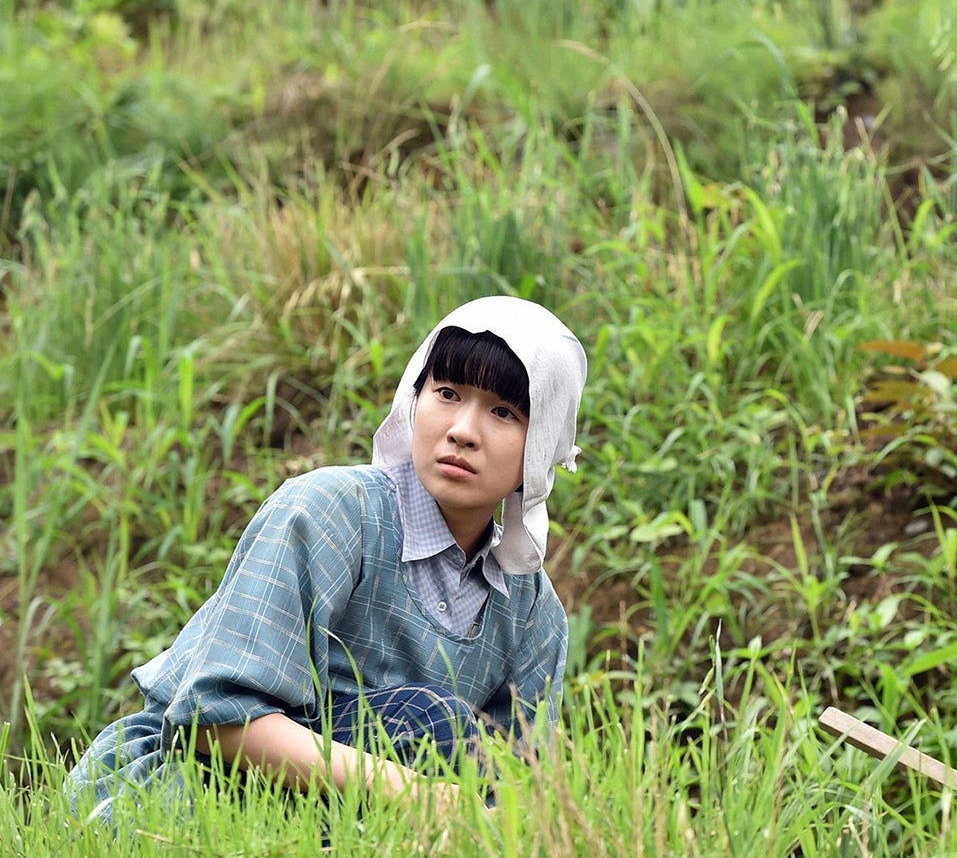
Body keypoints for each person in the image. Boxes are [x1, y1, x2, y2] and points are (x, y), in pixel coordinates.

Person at [65, 296, 587, 824]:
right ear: (415, 399)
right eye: (447, 393)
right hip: (178, 795)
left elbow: (513, 794)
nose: (463, 430)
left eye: (504, 412)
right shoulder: (332, 512)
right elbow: (213, 720)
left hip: (352, 825)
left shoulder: (530, 609)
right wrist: (411, 791)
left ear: (542, 445)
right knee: (429, 721)